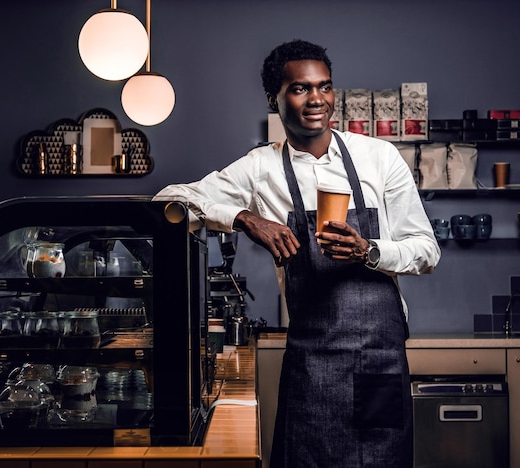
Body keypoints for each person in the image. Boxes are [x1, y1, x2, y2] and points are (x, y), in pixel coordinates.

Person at [155, 39, 440, 468]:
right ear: (275, 98)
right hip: (313, 361)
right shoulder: (259, 167)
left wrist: (369, 250)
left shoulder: (378, 157)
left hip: (378, 360)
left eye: (324, 87)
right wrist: (243, 217)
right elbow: (168, 200)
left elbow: (426, 250)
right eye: (300, 89)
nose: (317, 100)